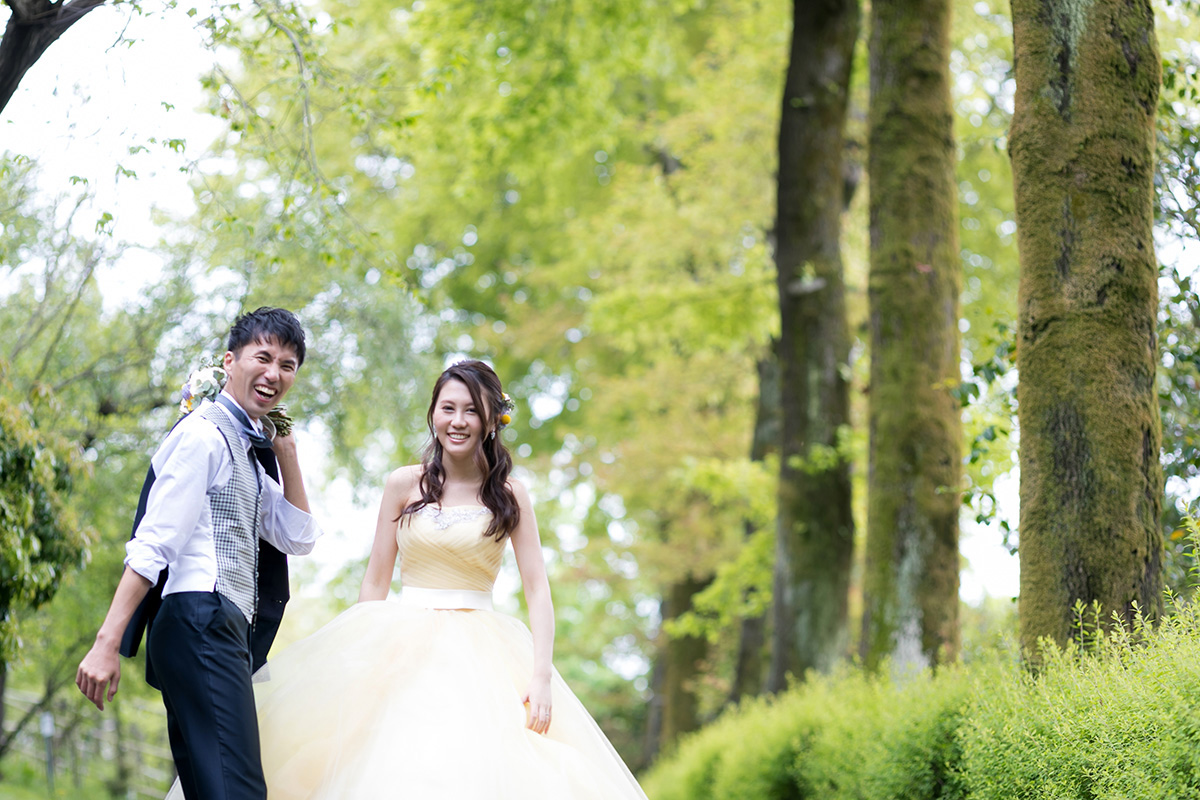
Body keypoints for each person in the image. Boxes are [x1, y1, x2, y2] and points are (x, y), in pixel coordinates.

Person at [173, 359, 648, 799]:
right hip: (401, 644)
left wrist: (541, 674)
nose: (457, 421)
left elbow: (538, 588)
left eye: (471, 411)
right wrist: (353, 660)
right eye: (448, 409)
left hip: (485, 653)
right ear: (433, 414)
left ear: (490, 421)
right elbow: (376, 580)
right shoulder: (403, 484)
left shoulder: (510, 495)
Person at [77, 307, 321, 800]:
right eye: (264, 356)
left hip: (216, 625)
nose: (275, 373)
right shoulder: (203, 435)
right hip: (200, 619)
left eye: (289, 365)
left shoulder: (249, 451)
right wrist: (108, 641)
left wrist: (287, 451)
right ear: (229, 362)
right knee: (238, 790)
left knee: (212, 790)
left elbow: (300, 537)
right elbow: (154, 543)